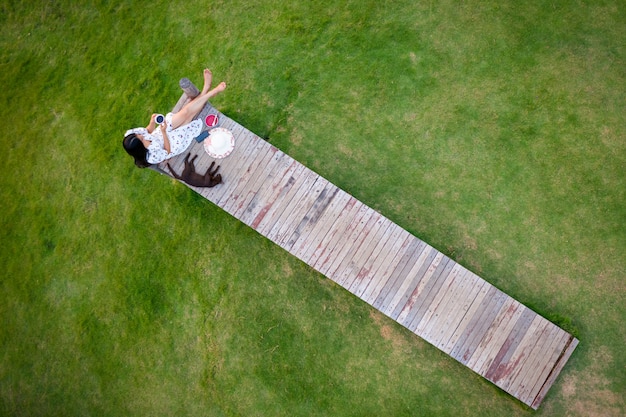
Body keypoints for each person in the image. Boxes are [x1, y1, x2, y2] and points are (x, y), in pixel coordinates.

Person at [123, 69, 226, 168]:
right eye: (140, 137)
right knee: (188, 118)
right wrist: (164, 133)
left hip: (161, 131)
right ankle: (209, 91)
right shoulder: (152, 157)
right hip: (171, 143)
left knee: (185, 112)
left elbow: (147, 131)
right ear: (141, 146)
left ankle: (206, 91)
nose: (141, 134)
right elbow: (168, 151)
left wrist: (152, 122)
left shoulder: (131, 135)